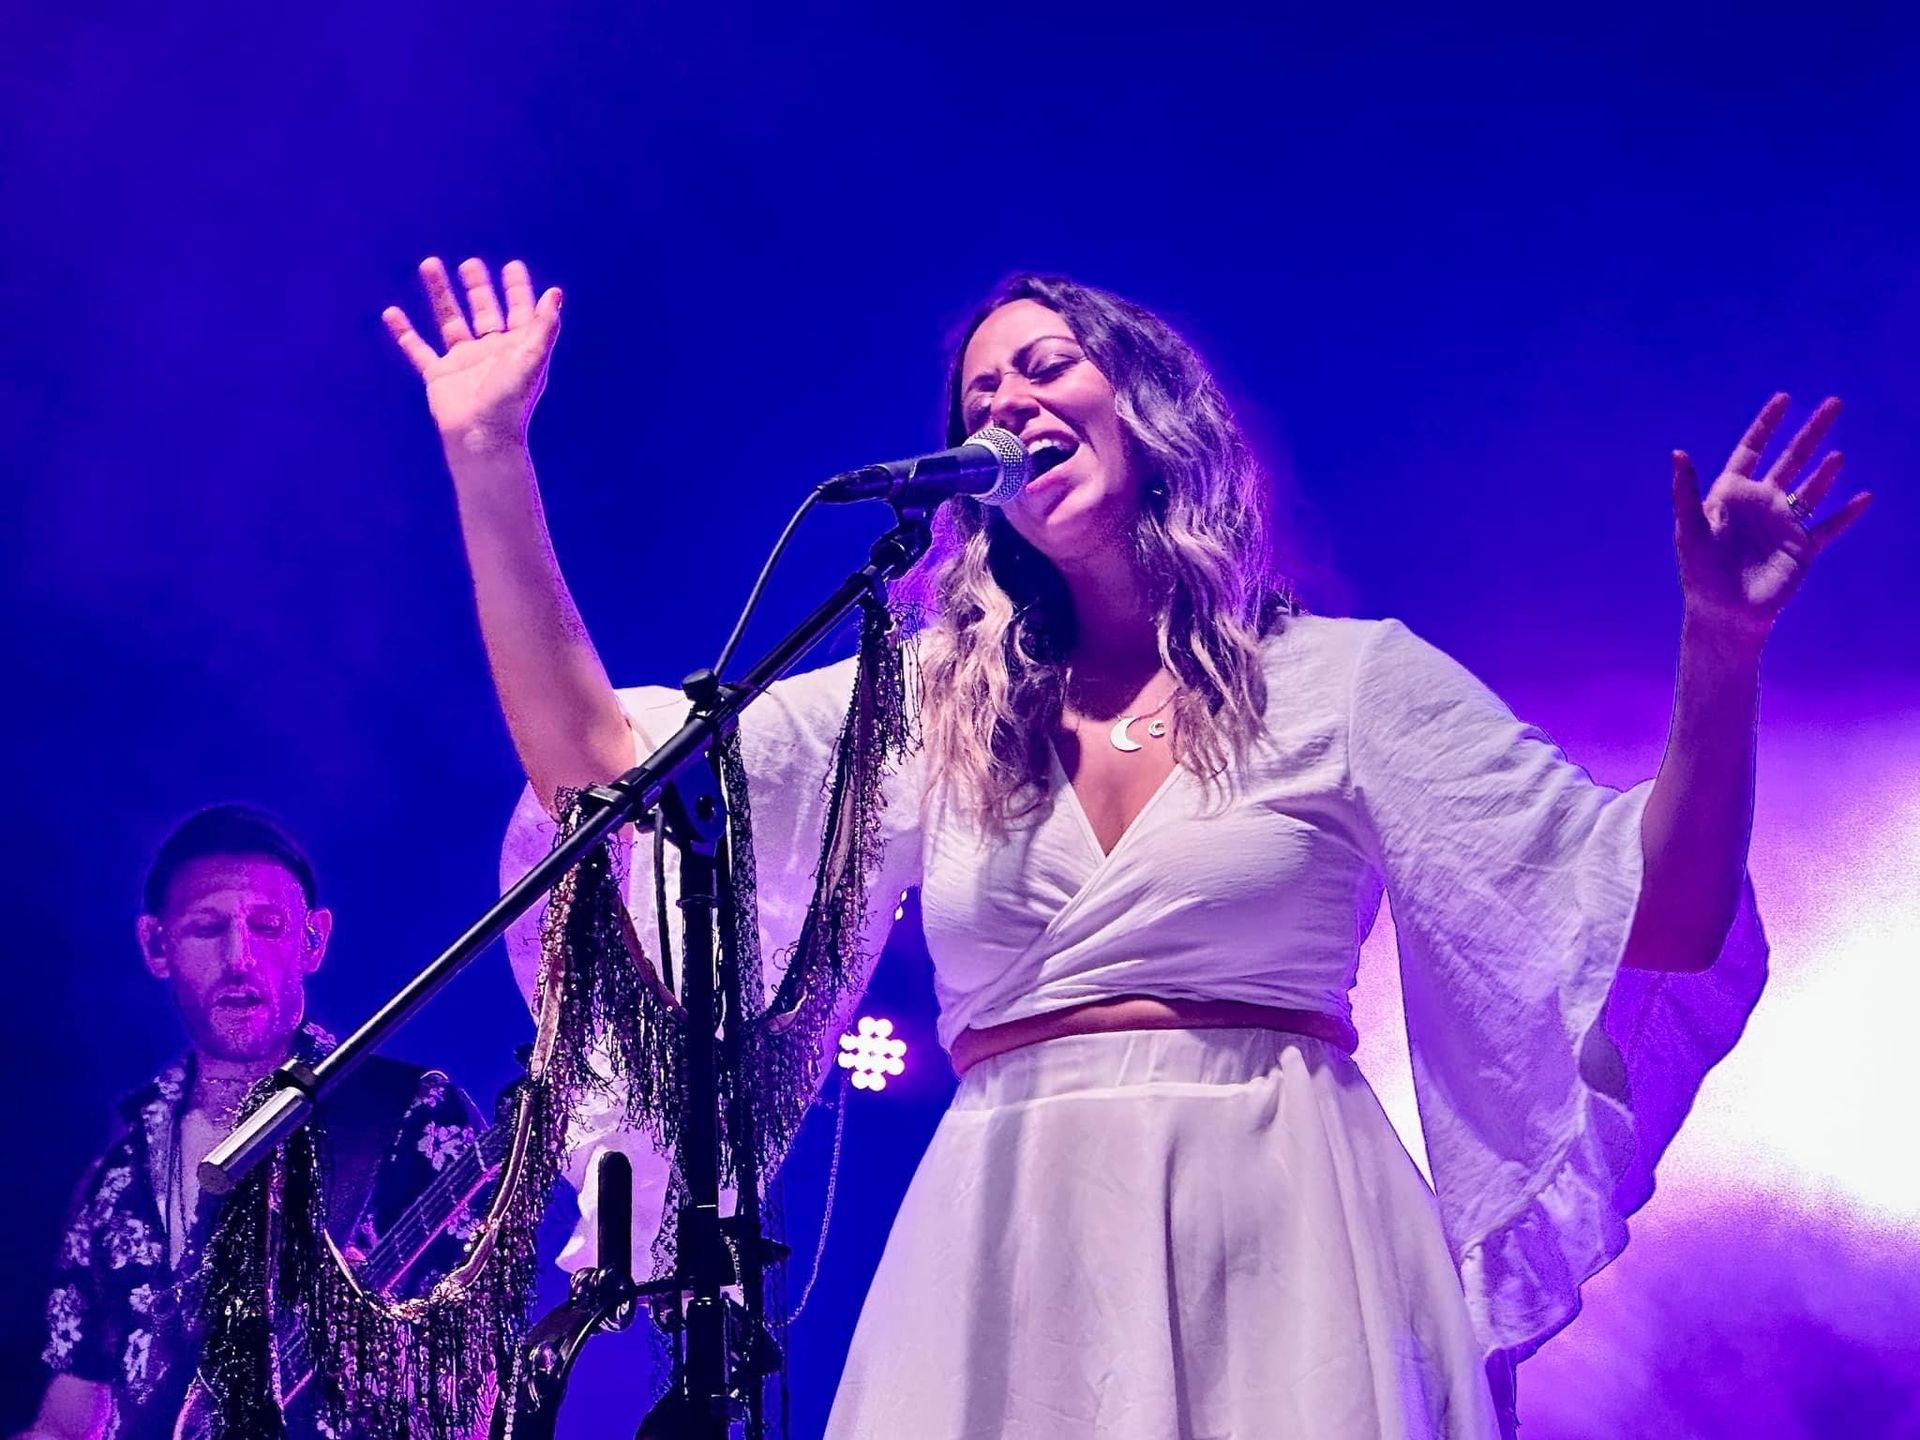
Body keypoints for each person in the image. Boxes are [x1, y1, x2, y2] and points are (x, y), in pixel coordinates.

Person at [384, 257, 1871, 1437]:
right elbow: (594, 766)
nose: (1014, 400)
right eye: (982, 388)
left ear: (1146, 401)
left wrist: (1721, 650)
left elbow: (1652, 924)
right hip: (1010, 1240)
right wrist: (488, 459)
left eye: (1048, 364)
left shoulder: (1346, 682)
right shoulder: (928, 714)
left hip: (1285, 1225)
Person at [19, 805, 487, 1440]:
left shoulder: (410, 1113)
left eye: (268, 926)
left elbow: (475, 1375)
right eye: (207, 928)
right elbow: (69, 1419)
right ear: (157, 945)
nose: (240, 958)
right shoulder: (118, 1176)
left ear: (313, 940)